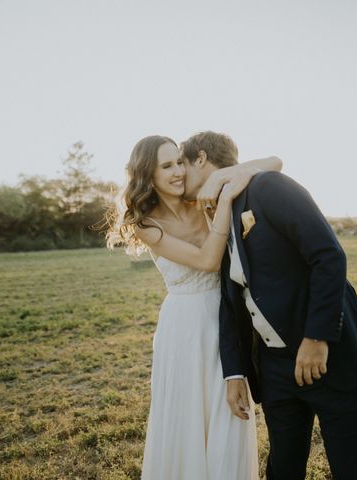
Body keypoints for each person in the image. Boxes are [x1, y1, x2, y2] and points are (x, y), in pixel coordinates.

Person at [179, 131, 357, 480]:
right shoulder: (215, 216)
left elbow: (328, 256)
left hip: (329, 357)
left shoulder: (268, 188)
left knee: (351, 468)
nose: (179, 174)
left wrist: (317, 339)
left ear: (200, 158)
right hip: (274, 369)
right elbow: (231, 303)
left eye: (182, 162)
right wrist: (235, 372)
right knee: (283, 469)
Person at [106, 134, 282, 480]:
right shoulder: (147, 224)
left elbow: (275, 163)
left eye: (179, 162)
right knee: (187, 418)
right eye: (166, 166)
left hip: (227, 319)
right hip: (184, 328)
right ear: (148, 174)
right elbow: (206, 260)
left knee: (230, 414)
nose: (178, 172)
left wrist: (219, 179)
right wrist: (227, 200)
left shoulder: (203, 196)